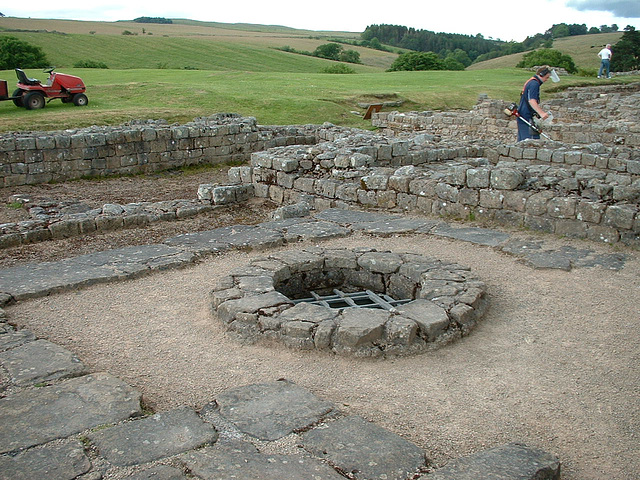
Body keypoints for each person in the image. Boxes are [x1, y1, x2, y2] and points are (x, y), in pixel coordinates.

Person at [517, 66, 552, 141]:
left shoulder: (531, 82)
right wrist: (541, 113)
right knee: (529, 141)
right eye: (547, 77)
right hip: (526, 116)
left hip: (524, 114)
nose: (546, 80)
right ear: (542, 75)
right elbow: (532, 100)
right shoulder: (534, 84)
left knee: (523, 140)